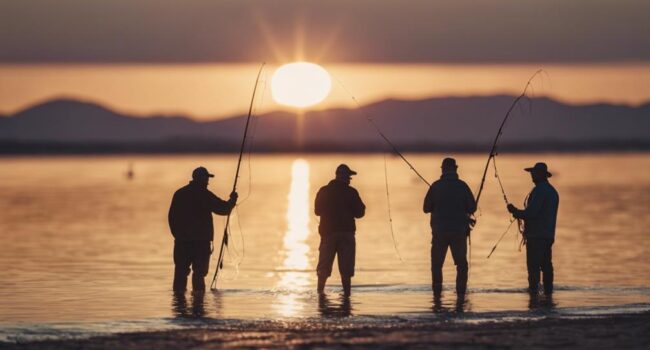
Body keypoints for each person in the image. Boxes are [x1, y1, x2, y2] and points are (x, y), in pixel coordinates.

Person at [168, 166, 237, 293]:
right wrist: (232, 200)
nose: (207, 181)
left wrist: (178, 235)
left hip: (182, 242)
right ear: (201, 179)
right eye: (206, 178)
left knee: (180, 273)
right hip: (201, 243)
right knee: (199, 274)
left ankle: (178, 305)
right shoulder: (204, 195)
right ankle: (198, 304)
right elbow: (224, 209)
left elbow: (171, 217)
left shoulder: (179, 193)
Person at [423, 157, 476, 297]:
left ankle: (437, 295)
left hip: (439, 232)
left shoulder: (435, 186)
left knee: (437, 265)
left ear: (443, 169)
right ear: (456, 169)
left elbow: (426, 208)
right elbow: (472, 207)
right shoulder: (463, 186)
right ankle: (461, 294)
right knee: (461, 265)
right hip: (459, 232)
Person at [507, 162, 559, 295]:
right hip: (548, 235)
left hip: (536, 236)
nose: (532, 175)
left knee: (534, 268)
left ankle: (534, 294)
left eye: (534, 172)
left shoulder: (540, 190)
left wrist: (515, 211)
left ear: (541, 174)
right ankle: (548, 294)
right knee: (546, 266)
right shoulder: (552, 191)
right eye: (532, 172)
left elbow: (531, 213)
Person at [315, 164, 366, 296]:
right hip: (347, 234)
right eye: (349, 177)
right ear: (345, 177)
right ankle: (347, 296)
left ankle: (320, 294)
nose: (350, 180)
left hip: (328, 234)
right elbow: (360, 213)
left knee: (323, 269)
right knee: (346, 271)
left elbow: (317, 211)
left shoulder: (324, 191)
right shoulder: (352, 192)